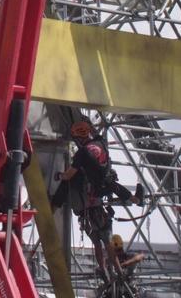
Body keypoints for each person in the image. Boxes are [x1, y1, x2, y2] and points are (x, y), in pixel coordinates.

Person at [53, 118, 144, 280]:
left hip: (90, 204)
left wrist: (60, 175)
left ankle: (106, 269)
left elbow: (68, 175)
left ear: (77, 138)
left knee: (99, 241)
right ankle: (115, 271)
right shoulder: (101, 144)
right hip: (101, 192)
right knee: (106, 240)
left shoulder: (82, 154)